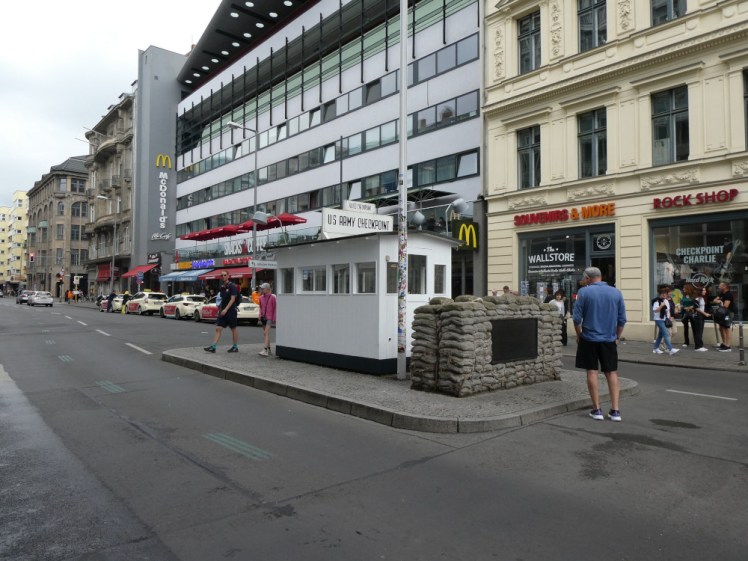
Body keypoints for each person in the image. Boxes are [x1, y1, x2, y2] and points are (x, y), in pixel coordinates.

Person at [572, 266, 627, 422]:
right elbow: (622, 319)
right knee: (611, 372)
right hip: (609, 339)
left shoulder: (584, 292)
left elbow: (576, 319)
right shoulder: (616, 292)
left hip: (589, 338)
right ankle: (615, 411)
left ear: (588, 278)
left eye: (584, 278)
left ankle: (597, 410)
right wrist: (617, 336)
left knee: (592, 372)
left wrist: (579, 334)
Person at [204, 271, 240, 353]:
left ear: (228, 276)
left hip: (231, 311)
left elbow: (233, 299)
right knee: (218, 328)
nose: (223, 276)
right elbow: (222, 299)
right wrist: (220, 309)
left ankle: (235, 347)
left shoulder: (232, 286)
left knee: (233, 328)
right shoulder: (222, 286)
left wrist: (226, 309)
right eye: (222, 275)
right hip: (223, 310)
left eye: (225, 275)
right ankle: (213, 347)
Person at [652, 285, 679, 356]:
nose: (664, 295)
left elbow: (668, 311)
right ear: (660, 294)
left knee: (660, 336)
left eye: (665, 294)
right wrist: (661, 305)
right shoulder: (656, 301)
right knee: (666, 334)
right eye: (663, 293)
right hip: (658, 320)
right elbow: (655, 311)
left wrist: (669, 317)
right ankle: (670, 349)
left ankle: (655, 348)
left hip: (664, 319)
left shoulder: (666, 301)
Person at [712, 282, 736, 351]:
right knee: (721, 327)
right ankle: (724, 343)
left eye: (720, 285)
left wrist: (720, 302)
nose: (719, 286)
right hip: (722, 313)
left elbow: (726, 306)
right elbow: (714, 300)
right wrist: (720, 302)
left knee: (727, 328)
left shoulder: (728, 294)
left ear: (724, 286)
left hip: (728, 313)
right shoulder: (722, 293)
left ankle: (728, 346)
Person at [258, 282, 277, 357]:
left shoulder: (272, 297)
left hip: (269, 318)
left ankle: (265, 350)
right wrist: (259, 315)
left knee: (265, 333)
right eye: (261, 288)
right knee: (266, 334)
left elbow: (275, 308)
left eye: (263, 288)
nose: (262, 289)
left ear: (268, 289)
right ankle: (268, 349)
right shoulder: (261, 297)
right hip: (263, 317)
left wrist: (274, 318)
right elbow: (260, 307)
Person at [692, 285, 711, 351]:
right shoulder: (697, 299)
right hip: (698, 316)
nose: (705, 291)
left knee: (700, 331)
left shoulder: (702, 298)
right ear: (700, 291)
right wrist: (705, 313)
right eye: (704, 290)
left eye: (705, 290)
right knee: (698, 331)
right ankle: (698, 346)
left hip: (701, 316)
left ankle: (700, 345)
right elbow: (697, 309)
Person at [679, 284, 697, 349]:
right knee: (685, 327)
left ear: (688, 289)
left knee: (694, 328)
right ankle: (686, 342)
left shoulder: (693, 296)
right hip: (684, 313)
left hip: (692, 313)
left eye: (684, 288)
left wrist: (690, 307)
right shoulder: (683, 296)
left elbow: (696, 304)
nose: (683, 289)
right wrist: (683, 307)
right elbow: (681, 304)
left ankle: (696, 341)